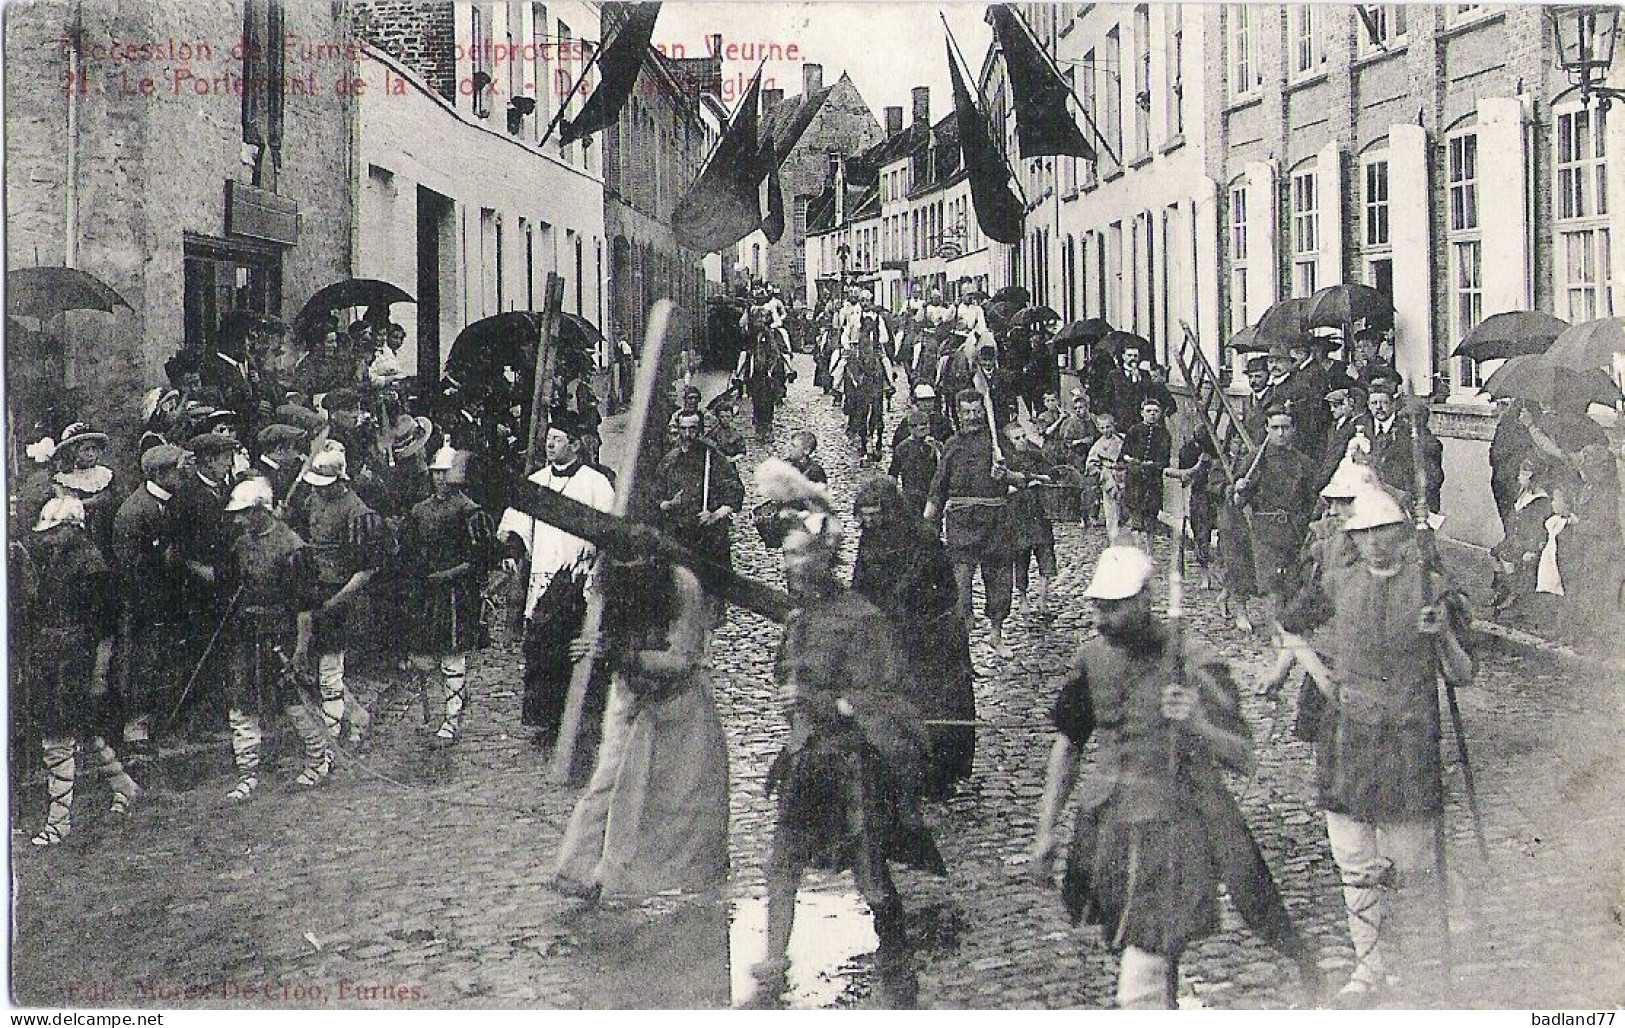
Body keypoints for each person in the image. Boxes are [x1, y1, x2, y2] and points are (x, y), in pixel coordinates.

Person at [1028, 546, 1320, 1008]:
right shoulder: (1090, 658)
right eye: (1097, 608)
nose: (1103, 620)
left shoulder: (1193, 660)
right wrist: (1045, 832)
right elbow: (1067, 745)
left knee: (1144, 967)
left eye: (1115, 607)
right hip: (1108, 830)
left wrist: (1195, 724)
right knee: (1130, 946)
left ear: (1145, 599)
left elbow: (1242, 755)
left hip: (1174, 831)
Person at [1278, 488, 1472, 1005]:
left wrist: (1443, 637)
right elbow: (1289, 627)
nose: (1376, 543)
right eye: (1365, 534)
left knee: (1409, 864)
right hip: (1349, 737)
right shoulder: (1336, 584)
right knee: (1355, 860)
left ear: (1405, 535)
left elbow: (1463, 673)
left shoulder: (1432, 589)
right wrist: (1324, 678)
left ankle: (1411, 961)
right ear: (1354, 539)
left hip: (1410, 737)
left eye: (1386, 532)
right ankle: (1369, 968)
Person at [751, 498, 946, 1009]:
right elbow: (785, 673)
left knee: (871, 874)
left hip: (855, 764)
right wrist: (794, 705)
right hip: (807, 758)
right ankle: (773, 963)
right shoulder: (798, 619)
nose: (789, 565)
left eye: (798, 556)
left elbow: (880, 695)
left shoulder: (863, 620)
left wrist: (822, 702)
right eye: (786, 557)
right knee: (783, 860)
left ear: (823, 560)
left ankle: (897, 953)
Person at [551, 552, 729, 899]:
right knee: (609, 779)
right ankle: (580, 868)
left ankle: (697, 875)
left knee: (690, 792)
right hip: (631, 691)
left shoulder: (681, 586)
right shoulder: (609, 579)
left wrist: (618, 653)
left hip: (681, 702)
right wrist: (592, 648)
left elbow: (681, 659)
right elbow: (600, 638)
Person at [24, 496, 143, 846]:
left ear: (72, 528)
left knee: (58, 737)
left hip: (77, 656)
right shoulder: (58, 558)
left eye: (55, 531)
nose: (48, 539)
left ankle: (59, 821)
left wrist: (99, 674)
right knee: (85, 728)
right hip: (55, 653)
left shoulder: (92, 565)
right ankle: (125, 787)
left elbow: (106, 629)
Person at [851, 475, 977, 798]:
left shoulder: (923, 539)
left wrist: (914, 609)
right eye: (863, 514)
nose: (869, 521)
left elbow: (947, 589)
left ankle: (939, 774)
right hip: (889, 633)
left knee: (936, 705)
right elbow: (860, 584)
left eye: (875, 513)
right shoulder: (870, 539)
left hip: (930, 635)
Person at [498, 410, 616, 751]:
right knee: (543, 650)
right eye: (548, 440)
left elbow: (609, 528)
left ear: (575, 446)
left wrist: (596, 562)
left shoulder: (595, 484)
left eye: (558, 440)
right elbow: (517, 524)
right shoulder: (536, 483)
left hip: (581, 576)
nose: (550, 445)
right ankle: (547, 720)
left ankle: (580, 718)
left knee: (577, 647)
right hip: (545, 576)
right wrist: (514, 548)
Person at [219, 477, 333, 799]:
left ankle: (318, 759)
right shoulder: (241, 545)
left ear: (260, 511)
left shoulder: (293, 548)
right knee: (241, 702)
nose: (239, 520)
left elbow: (305, 607)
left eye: (244, 513)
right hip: (247, 633)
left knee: (294, 701)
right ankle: (248, 772)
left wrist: (301, 649)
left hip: (282, 634)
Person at [296, 446, 391, 745]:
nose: (319, 492)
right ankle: (356, 715)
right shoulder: (313, 500)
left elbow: (366, 570)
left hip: (342, 598)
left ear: (341, 480)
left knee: (330, 668)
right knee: (310, 663)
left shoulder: (359, 513)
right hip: (314, 591)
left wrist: (335, 601)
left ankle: (332, 736)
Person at [402, 446, 496, 745]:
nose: (440, 479)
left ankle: (452, 718)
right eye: (436, 473)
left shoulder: (469, 510)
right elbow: (411, 549)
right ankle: (431, 713)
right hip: (426, 592)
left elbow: (480, 557)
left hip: (456, 593)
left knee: (453, 657)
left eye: (445, 473)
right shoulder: (420, 511)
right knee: (423, 656)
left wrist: (450, 575)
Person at [925, 389, 1017, 658]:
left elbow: (1021, 478)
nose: (973, 417)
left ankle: (996, 635)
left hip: (996, 522)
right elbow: (938, 488)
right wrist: (926, 522)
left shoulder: (998, 444)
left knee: (999, 580)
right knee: (960, 587)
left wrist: (1006, 473)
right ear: (958, 414)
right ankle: (962, 645)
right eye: (967, 413)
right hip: (962, 525)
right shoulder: (952, 446)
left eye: (977, 412)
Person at [111, 444, 190, 751]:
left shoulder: (173, 503)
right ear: (159, 473)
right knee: (141, 664)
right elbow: (129, 566)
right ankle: (136, 730)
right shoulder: (134, 511)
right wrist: (163, 560)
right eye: (176, 471)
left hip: (167, 602)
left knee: (164, 662)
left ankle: (162, 724)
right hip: (142, 605)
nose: (181, 476)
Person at [651, 411, 744, 608]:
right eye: (683, 429)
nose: (687, 434)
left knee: (711, 590)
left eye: (692, 429)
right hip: (679, 532)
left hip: (708, 535)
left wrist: (715, 514)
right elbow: (656, 496)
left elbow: (734, 492)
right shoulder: (670, 460)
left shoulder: (713, 458)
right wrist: (668, 504)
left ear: (700, 430)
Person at [1001, 421, 1058, 621]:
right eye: (1017, 438)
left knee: (1045, 554)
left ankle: (1043, 597)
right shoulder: (1006, 461)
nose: (1022, 441)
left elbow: (1051, 474)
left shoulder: (1035, 455)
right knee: (1021, 557)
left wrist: (1042, 478)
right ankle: (1023, 598)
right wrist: (1025, 482)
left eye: (1023, 436)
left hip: (1039, 512)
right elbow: (1002, 486)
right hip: (1018, 516)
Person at [1119, 398, 1172, 544]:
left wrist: (1154, 464)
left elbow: (1165, 459)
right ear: (1142, 413)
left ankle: (1149, 550)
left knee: (1151, 515)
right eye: (1149, 411)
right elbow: (1123, 454)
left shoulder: (1164, 434)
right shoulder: (1134, 430)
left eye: (1155, 411)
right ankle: (1137, 549)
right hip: (1135, 479)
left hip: (1153, 480)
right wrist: (1132, 460)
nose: (1152, 414)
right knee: (1136, 514)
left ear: (1160, 414)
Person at [889, 410, 941, 519]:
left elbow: (944, 468)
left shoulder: (935, 446)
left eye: (925, 424)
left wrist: (937, 449)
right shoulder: (902, 448)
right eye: (919, 425)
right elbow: (893, 474)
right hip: (911, 495)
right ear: (910, 429)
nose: (923, 428)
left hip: (931, 496)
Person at [1085, 411, 1127, 542]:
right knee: (1111, 513)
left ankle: (1126, 541)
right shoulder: (1098, 445)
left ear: (1113, 426)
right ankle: (1114, 541)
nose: (1105, 430)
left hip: (1123, 476)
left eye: (1108, 427)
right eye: (1102, 428)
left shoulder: (1122, 440)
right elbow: (1090, 464)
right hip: (1108, 478)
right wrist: (1100, 472)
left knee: (1125, 512)